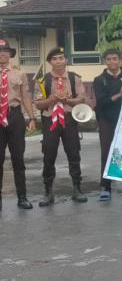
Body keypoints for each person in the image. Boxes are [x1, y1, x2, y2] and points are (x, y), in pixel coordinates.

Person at [34, 47, 87, 206]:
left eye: (61, 58)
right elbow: (38, 104)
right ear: (50, 62)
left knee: (74, 153)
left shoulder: (74, 78)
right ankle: (48, 192)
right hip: (50, 120)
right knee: (49, 155)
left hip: (69, 119)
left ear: (66, 60)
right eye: (54, 59)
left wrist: (67, 101)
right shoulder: (42, 81)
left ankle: (77, 188)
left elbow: (81, 99)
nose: (58, 61)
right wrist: (52, 99)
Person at [93, 48, 122, 201]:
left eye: (115, 58)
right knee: (107, 153)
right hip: (106, 120)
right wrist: (120, 94)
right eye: (109, 59)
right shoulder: (99, 80)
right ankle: (105, 187)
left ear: (120, 60)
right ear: (105, 61)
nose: (112, 62)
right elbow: (101, 103)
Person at [0, 39, 36, 211]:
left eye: (5, 51)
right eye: (0, 51)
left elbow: (26, 96)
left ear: (10, 54)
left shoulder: (20, 73)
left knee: (18, 159)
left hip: (14, 115)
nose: (2, 54)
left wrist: (32, 117)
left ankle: (22, 197)